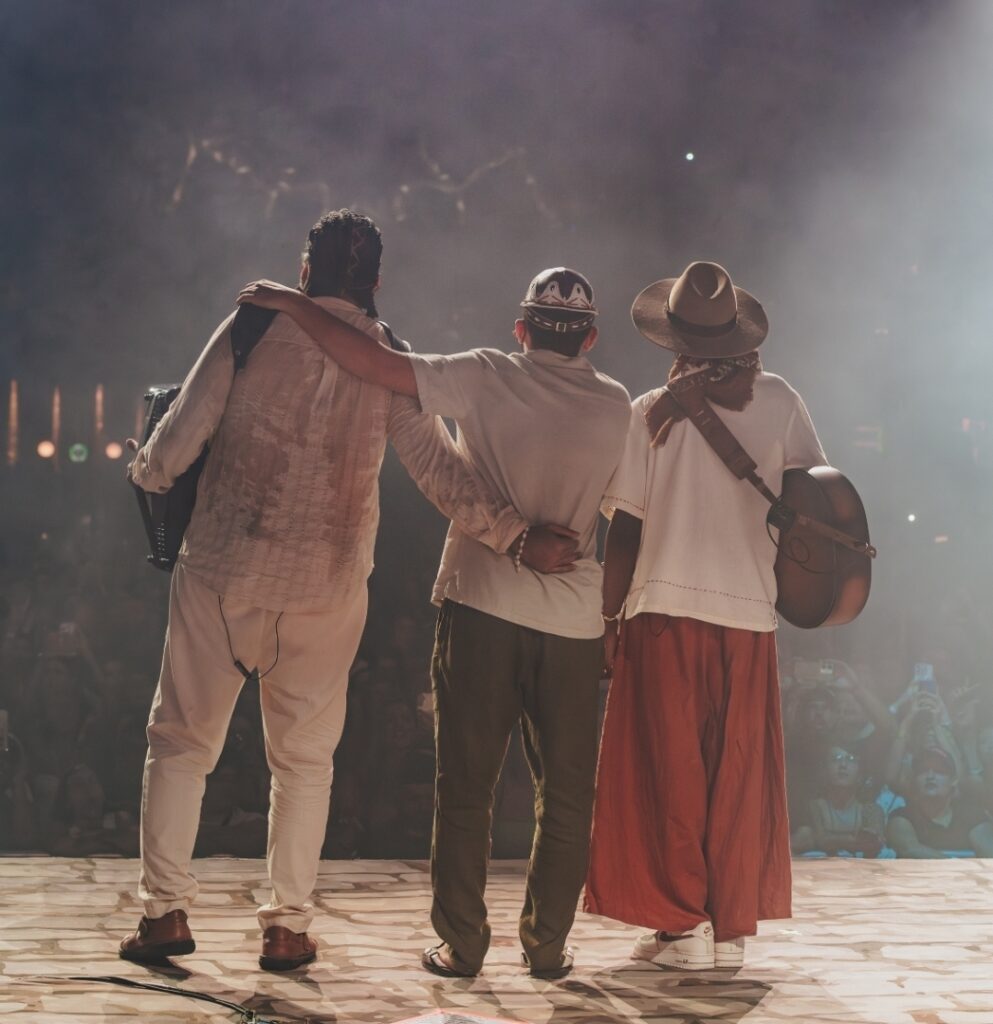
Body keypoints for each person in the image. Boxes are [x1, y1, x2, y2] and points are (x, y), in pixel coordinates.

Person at [122, 209, 576, 972]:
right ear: (376, 282)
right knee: (303, 763)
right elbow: (437, 467)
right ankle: (287, 927)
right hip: (328, 583)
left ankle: (164, 914)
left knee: (180, 745)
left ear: (305, 271)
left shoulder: (253, 325)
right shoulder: (386, 354)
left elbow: (181, 434)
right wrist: (515, 536)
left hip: (224, 567)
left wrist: (148, 470)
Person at [237, 266, 632, 978]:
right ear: (591, 338)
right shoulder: (615, 405)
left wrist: (297, 305)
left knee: (465, 787)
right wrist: (612, 617)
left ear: (521, 330)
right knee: (569, 795)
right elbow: (623, 513)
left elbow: (374, 364)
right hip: (573, 622)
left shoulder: (484, 374)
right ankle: (546, 948)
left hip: (481, 606)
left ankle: (462, 944)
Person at [584, 261, 828, 970]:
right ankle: (731, 931)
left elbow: (625, 527)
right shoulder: (779, 399)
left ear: (673, 338)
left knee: (671, 773)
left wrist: (607, 620)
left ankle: (677, 925)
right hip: (748, 612)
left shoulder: (650, 413)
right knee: (739, 774)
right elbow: (816, 499)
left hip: (662, 609)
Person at [886, 747, 993, 858]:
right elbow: (909, 850)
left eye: (939, 771)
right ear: (914, 780)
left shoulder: (973, 816)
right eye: (922, 771)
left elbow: (989, 854)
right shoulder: (901, 817)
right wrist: (956, 865)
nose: (930, 776)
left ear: (953, 780)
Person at [791, 745, 886, 857]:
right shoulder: (815, 807)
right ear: (825, 770)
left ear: (860, 772)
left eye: (851, 759)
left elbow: (876, 842)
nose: (843, 765)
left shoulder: (871, 810)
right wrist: (853, 842)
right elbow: (821, 841)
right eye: (836, 759)